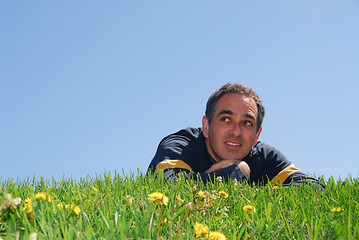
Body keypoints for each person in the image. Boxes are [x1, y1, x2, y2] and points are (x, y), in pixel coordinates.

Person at [147, 83, 324, 190]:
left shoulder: (264, 155)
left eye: (247, 123)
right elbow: (170, 187)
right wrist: (237, 173)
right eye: (226, 119)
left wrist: (251, 193)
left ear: (257, 135)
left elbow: (313, 188)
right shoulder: (181, 144)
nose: (236, 131)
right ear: (206, 126)